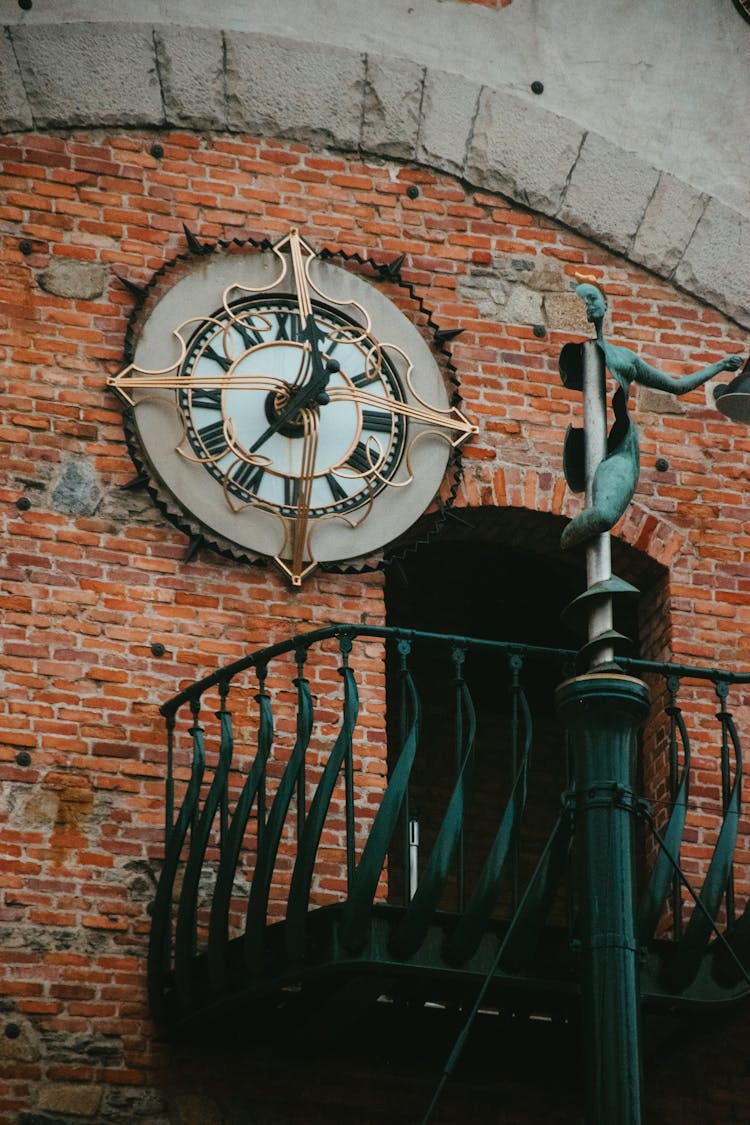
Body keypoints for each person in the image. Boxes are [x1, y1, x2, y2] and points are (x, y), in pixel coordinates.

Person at [561, 281, 743, 549]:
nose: (589, 306)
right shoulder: (578, 353)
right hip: (587, 450)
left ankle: (566, 540)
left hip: (621, 449)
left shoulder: (625, 358)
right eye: (584, 301)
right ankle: (565, 544)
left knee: (604, 515)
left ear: (606, 305)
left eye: (593, 299)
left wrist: (719, 366)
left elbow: (676, 386)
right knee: (597, 516)